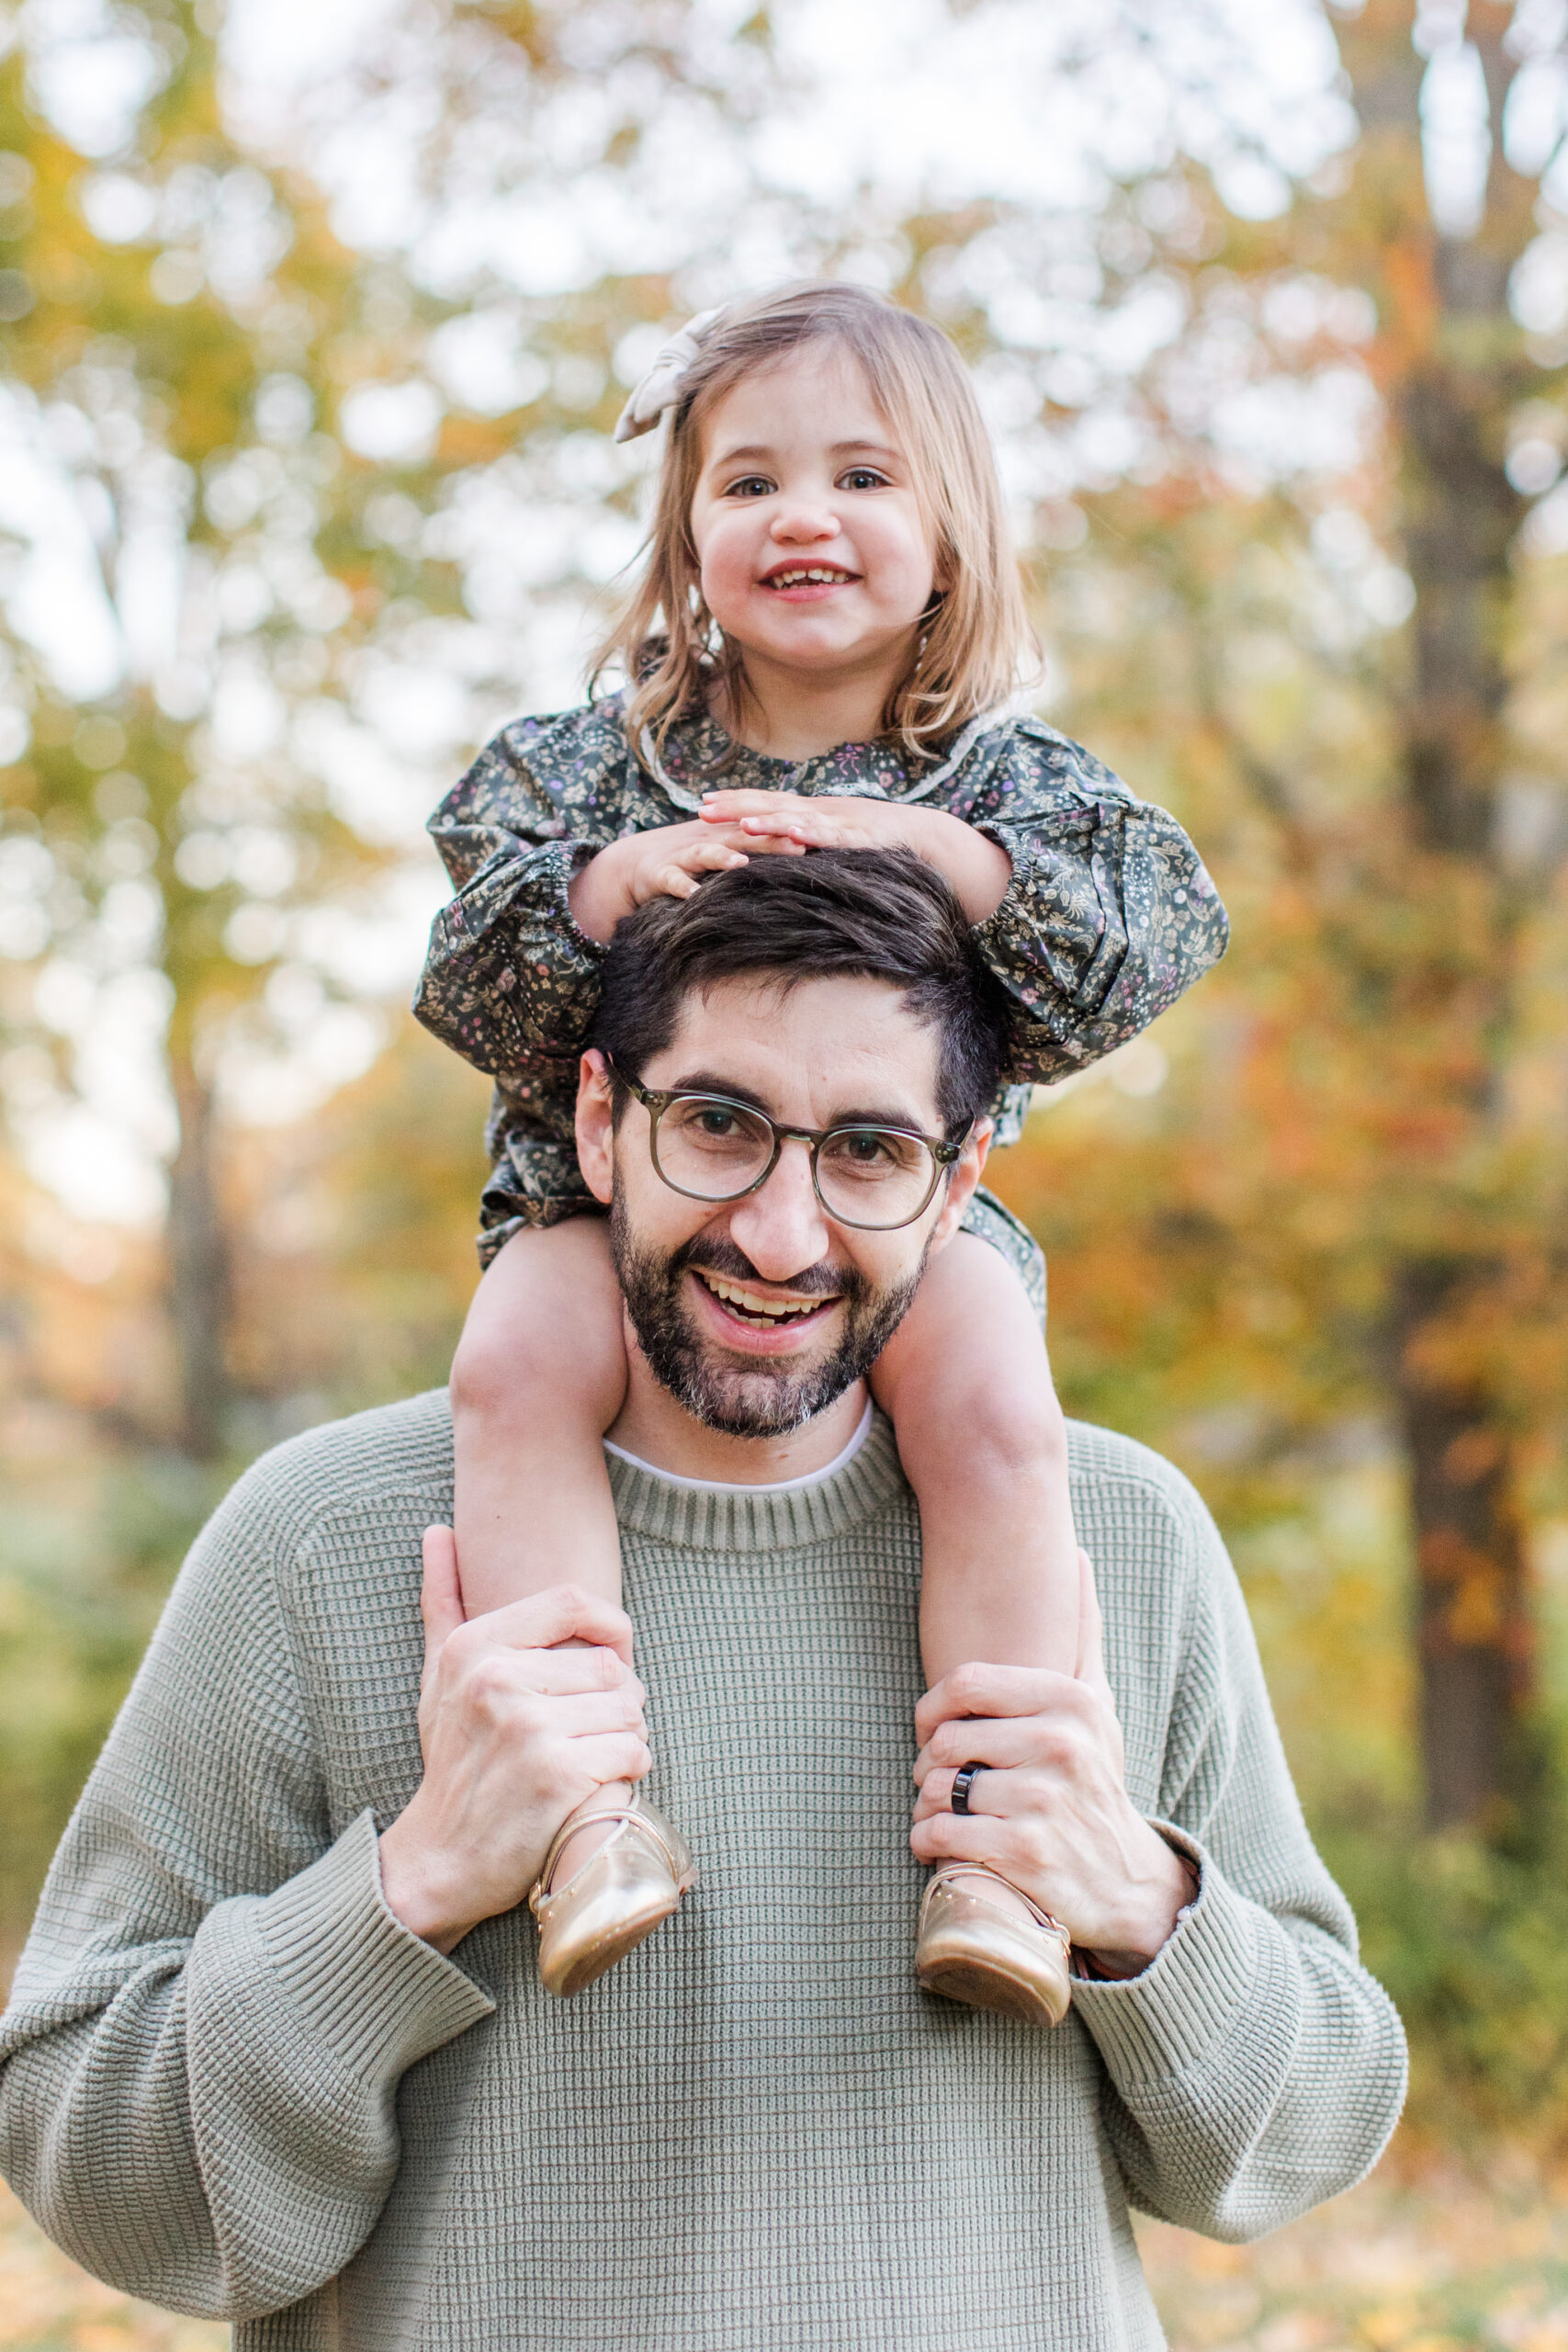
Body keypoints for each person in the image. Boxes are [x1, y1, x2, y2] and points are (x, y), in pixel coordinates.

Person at [0, 848, 1404, 2347]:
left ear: (960, 1181)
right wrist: (409, 1887)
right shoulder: (321, 1540)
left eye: (868, 1150)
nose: (782, 1235)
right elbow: (96, 2173)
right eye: (718, 1125)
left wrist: (1136, 1900)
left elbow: (1301, 2144)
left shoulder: (1120, 1540)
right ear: (601, 1123)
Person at [415, 280, 1230, 2019]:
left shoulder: (1011, 784)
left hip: (896, 1241)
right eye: (750, 482)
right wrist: (590, 895)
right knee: (512, 1365)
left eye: (864, 476)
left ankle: (1005, 1849)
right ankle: (580, 1813)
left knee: (1001, 1409)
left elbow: (1154, 942)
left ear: (946, 538)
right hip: (604, 1216)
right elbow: (462, 979)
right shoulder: (589, 768)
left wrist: (946, 859)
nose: (805, 515)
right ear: (687, 535)